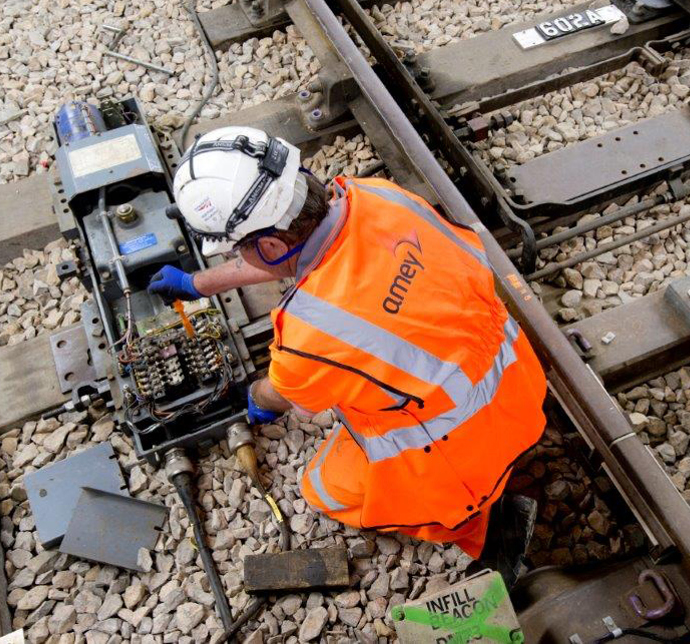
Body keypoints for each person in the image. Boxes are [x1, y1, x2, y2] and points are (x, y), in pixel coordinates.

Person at [150, 126, 548, 585]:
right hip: (520, 382)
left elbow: (278, 391)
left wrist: (252, 397)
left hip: (464, 458)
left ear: (271, 246)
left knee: (321, 487)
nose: (239, 257)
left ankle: (475, 527)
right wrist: (198, 284)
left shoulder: (311, 332)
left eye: (238, 249)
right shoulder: (379, 197)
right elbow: (297, 257)